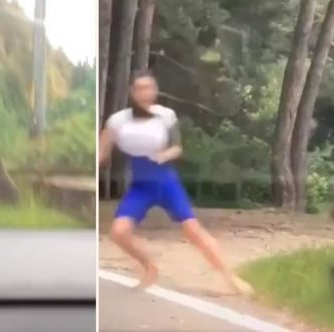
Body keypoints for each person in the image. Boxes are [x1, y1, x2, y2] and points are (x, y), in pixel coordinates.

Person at [99, 70, 254, 295]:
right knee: (119, 231)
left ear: (155, 90)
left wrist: (164, 155)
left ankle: (231, 278)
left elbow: (177, 147)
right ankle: (149, 266)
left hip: (166, 183)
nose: (145, 92)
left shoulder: (166, 115)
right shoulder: (118, 121)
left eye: (149, 87)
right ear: (133, 92)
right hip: (141, 187)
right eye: (140, 88)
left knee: (193, 231)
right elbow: (102, 151)